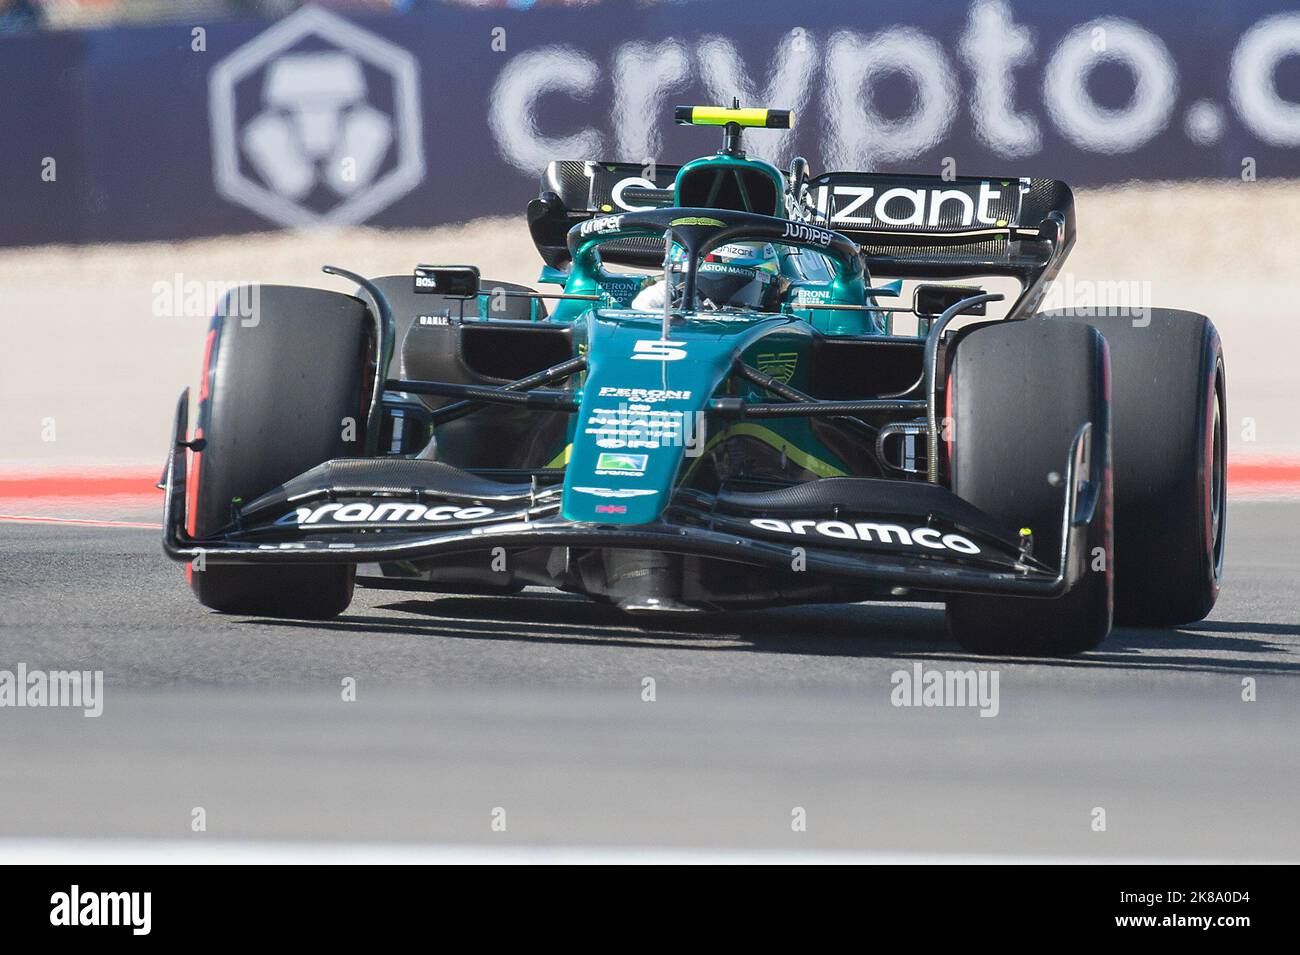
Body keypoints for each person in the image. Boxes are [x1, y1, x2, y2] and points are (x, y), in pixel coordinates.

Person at [630, 241, 786, 313]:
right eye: (713, 287)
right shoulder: (662, 294)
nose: (722, 309)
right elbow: (642, 307)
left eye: (737, 287)